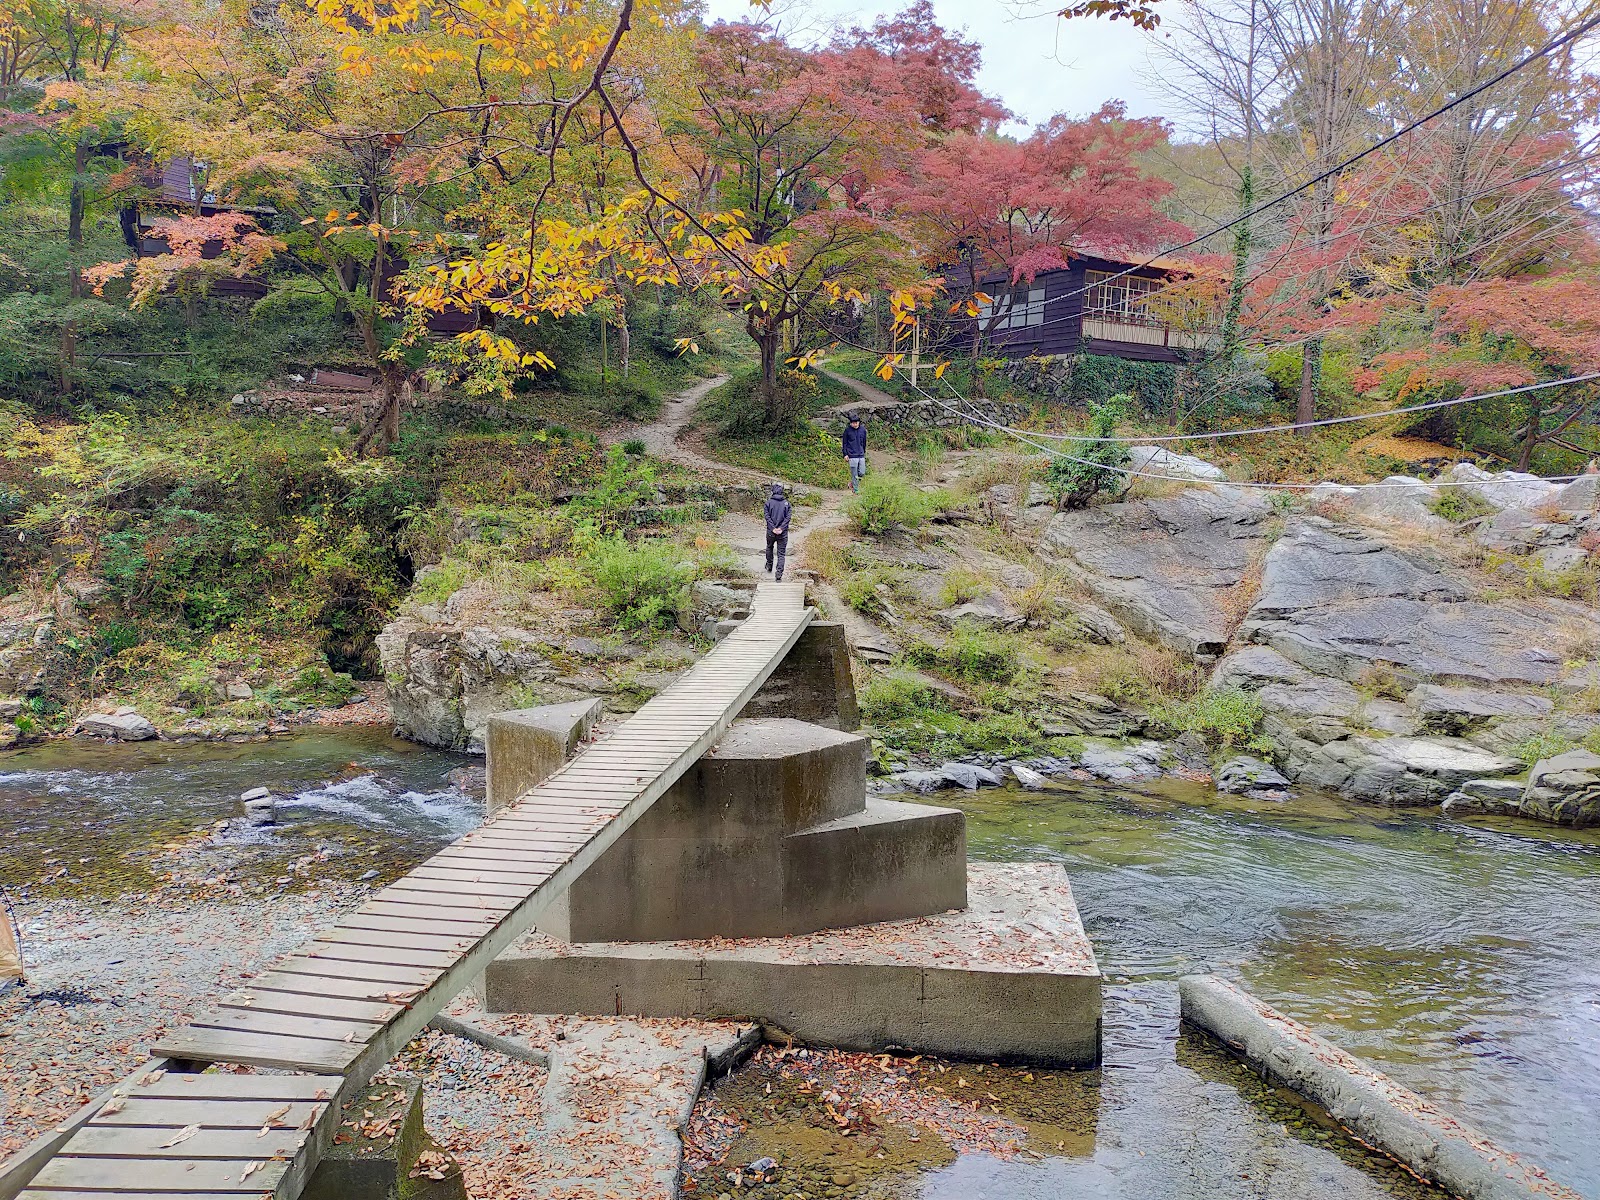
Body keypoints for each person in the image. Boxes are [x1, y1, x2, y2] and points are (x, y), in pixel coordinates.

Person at [764, 482, 791, 581]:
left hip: (771, 532)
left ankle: (769, 565)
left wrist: (773, 528)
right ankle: (779, 574)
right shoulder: (787, 504)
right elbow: (788, 518)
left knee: (769, 547)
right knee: (781, 554)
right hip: (782, 533)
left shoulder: (768, 503)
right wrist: (781, 528)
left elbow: (767, 517)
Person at [842, 411, 868, 492]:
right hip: (852, 455)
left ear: (859, 422)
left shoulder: (863, 430)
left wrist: (863, 451)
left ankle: (852, 484)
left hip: (861, 454)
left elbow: (864, 442)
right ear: (850, 423)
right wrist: (845, 454)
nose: (855, 424)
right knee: (854, 474)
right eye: (853, 423)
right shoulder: (847, 431)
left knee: (862, 472)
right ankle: (855, 490)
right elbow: (844, 443)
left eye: (856, 423)